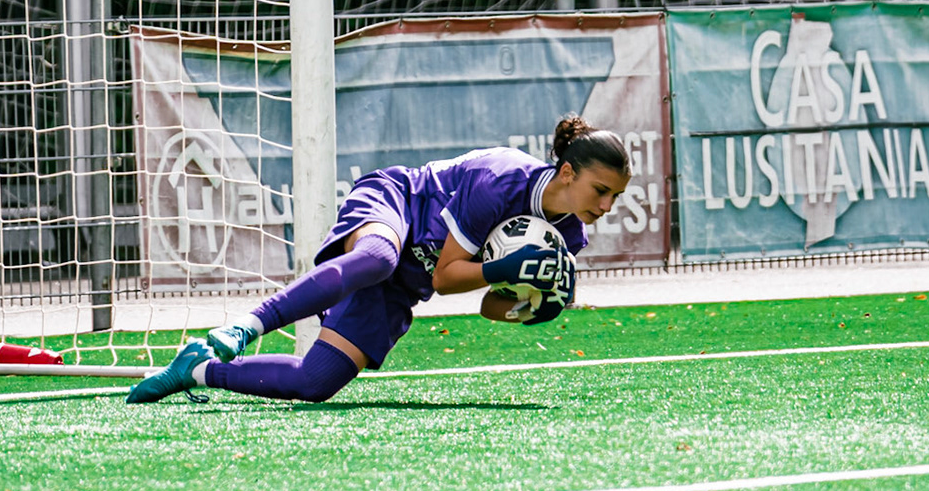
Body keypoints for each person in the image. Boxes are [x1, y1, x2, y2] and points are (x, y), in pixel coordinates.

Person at [127, 115, 633, 404]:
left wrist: (534, 308)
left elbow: (488, 307)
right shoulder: (499, 179)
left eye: (616, 196)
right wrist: (501, 270)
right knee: (376, 257)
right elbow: (450, 274)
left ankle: (196, 370)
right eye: (601, 190)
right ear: (567, 172)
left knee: (316, 382)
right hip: (398, 205)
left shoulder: (568, 235)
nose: (607, 206)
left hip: (407, 279)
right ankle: (247, 325)